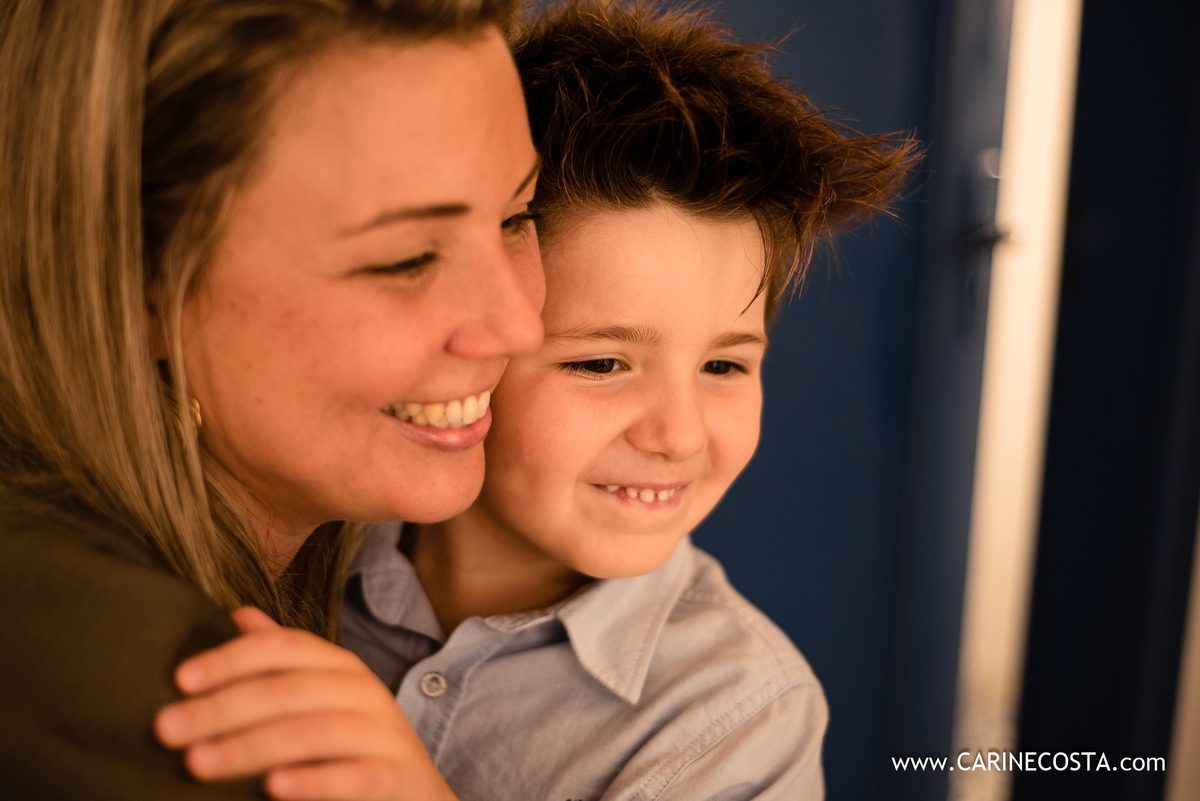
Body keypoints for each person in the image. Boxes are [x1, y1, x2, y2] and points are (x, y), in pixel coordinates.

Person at [338, 2, 920, 800]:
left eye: (723, 366)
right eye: (604, 362)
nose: (679, 434)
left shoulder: (741, 716)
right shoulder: (308, 550)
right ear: (473, 345)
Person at [0, 0, 543, 798]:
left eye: (518, 217)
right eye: (407, 259)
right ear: (137, 288)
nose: (519, 325)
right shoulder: (199, 713)